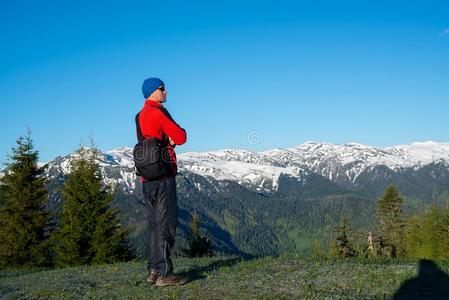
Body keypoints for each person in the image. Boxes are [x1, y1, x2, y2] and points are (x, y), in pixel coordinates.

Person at [136, 77, 188, 286]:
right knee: (166, 224)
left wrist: (167, 142)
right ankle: (165, 274)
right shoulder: (157, 112)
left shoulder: (139, 115)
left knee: (154, 225)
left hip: (147, 176)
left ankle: (153, 270)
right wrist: (173, 139)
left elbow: (151, 142)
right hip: (163, 176)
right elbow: (181, 136)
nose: (166, 92)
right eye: (162, 89)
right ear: (153, 92)